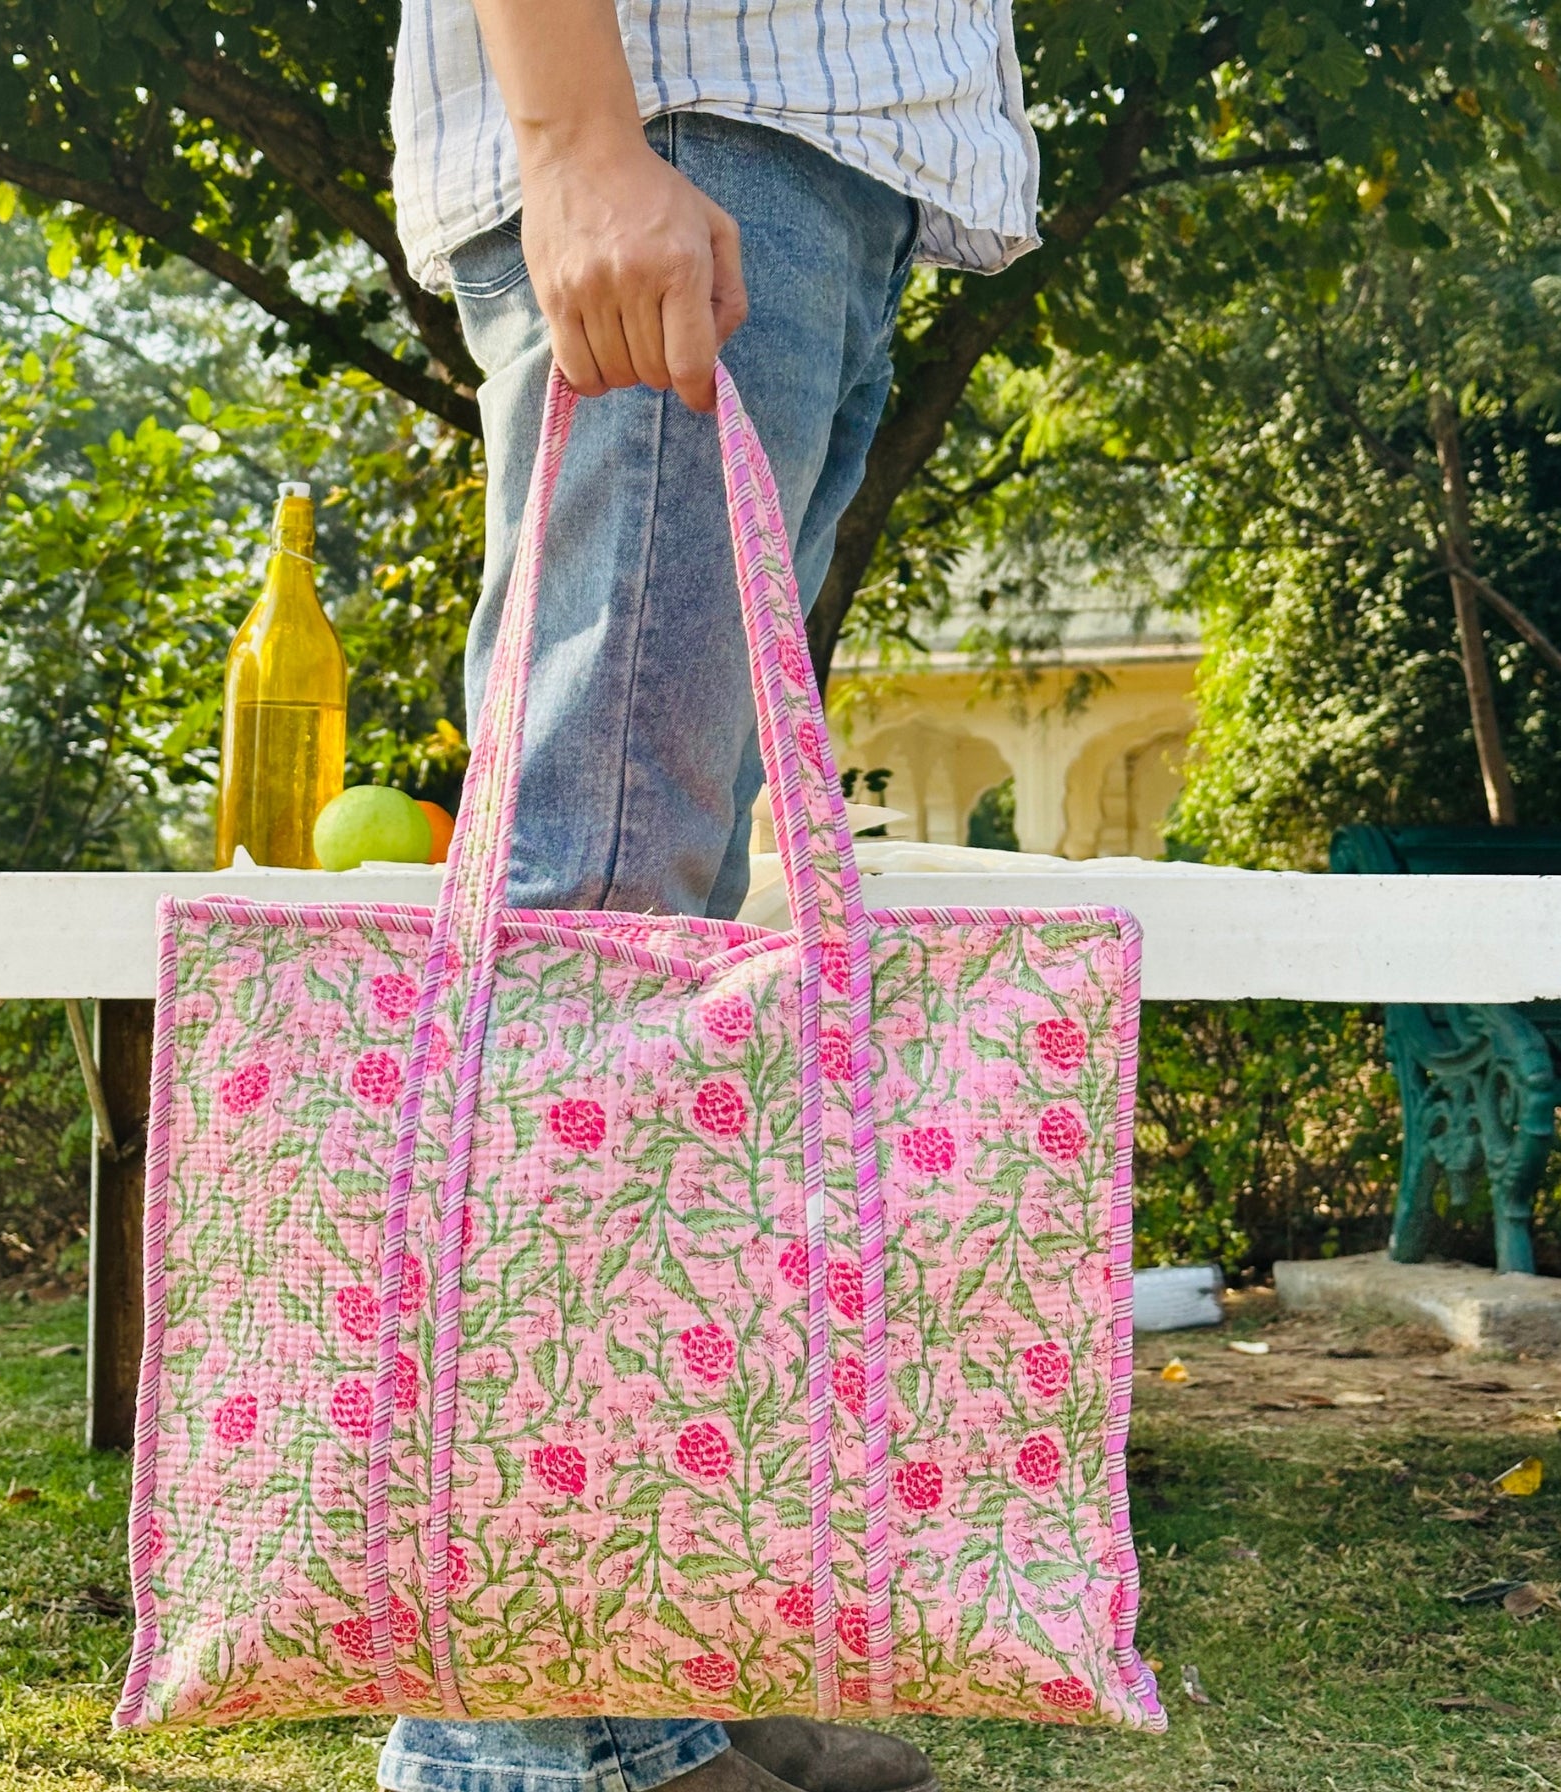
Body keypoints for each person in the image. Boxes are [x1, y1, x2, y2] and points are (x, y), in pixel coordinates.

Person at [380, 4, 1039, 1791]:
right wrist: (580, 135)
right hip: (686, 119)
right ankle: (528, 1737)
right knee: (585, 937)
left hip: (825, 160)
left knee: (656, 965)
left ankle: (655, 1655)